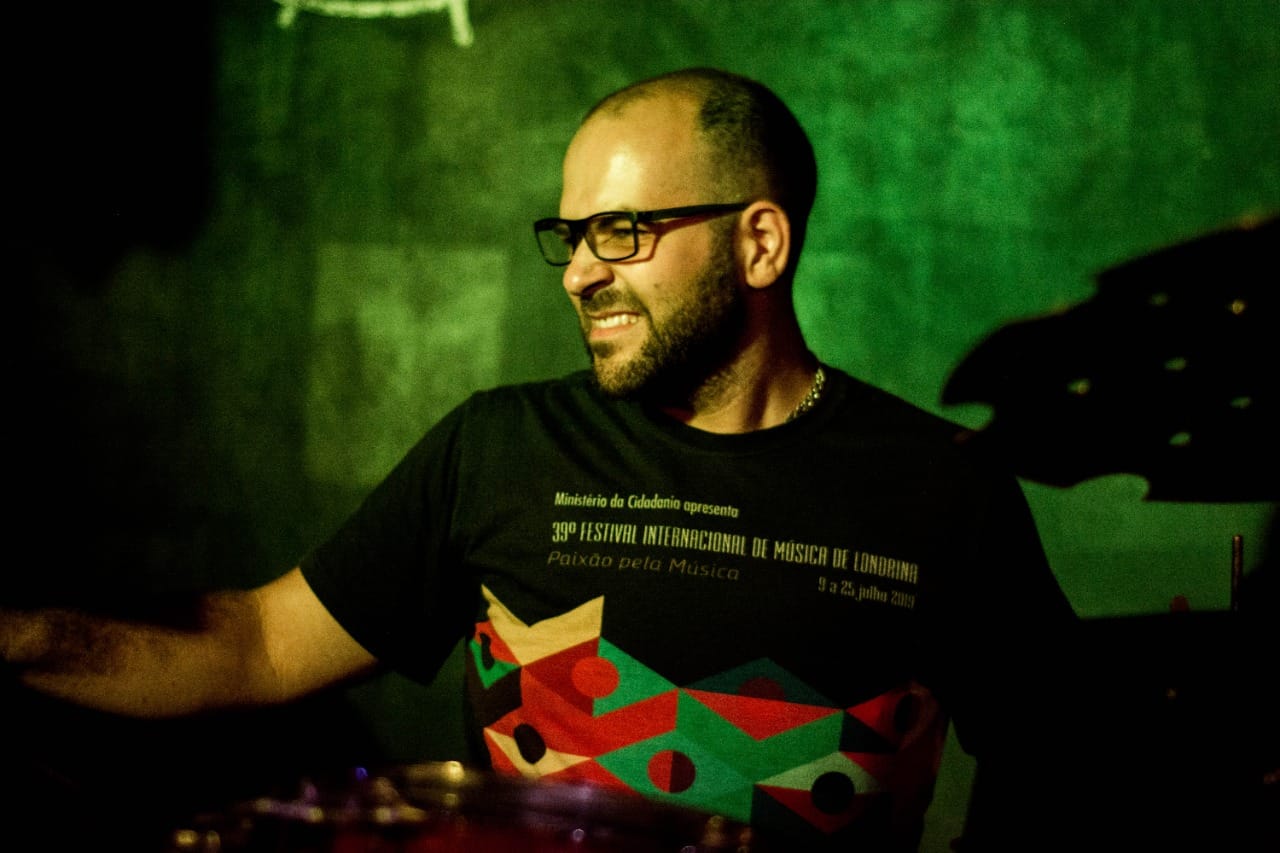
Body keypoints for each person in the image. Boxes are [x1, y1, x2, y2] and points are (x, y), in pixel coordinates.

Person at [1, 68, 1078, 851]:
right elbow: (260, 645)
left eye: (622, 231)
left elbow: (1053, 762)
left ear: (759, 242)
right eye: (570, 237)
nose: (577, 274)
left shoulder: (945, 486)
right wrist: (27, 635)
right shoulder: (502, 446)